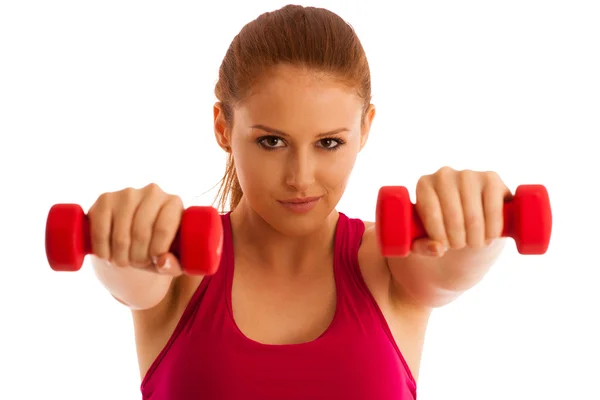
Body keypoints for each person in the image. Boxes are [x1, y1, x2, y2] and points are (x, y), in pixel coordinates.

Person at [89, 5, 510, 399]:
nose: (300, 178)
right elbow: (128, 278)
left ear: (364, 130)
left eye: (329, 143)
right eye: (271, 141)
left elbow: (453, 268)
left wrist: (478, 219)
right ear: (223, 128)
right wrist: (120, 234)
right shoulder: (175, 266)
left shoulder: (390, 265)